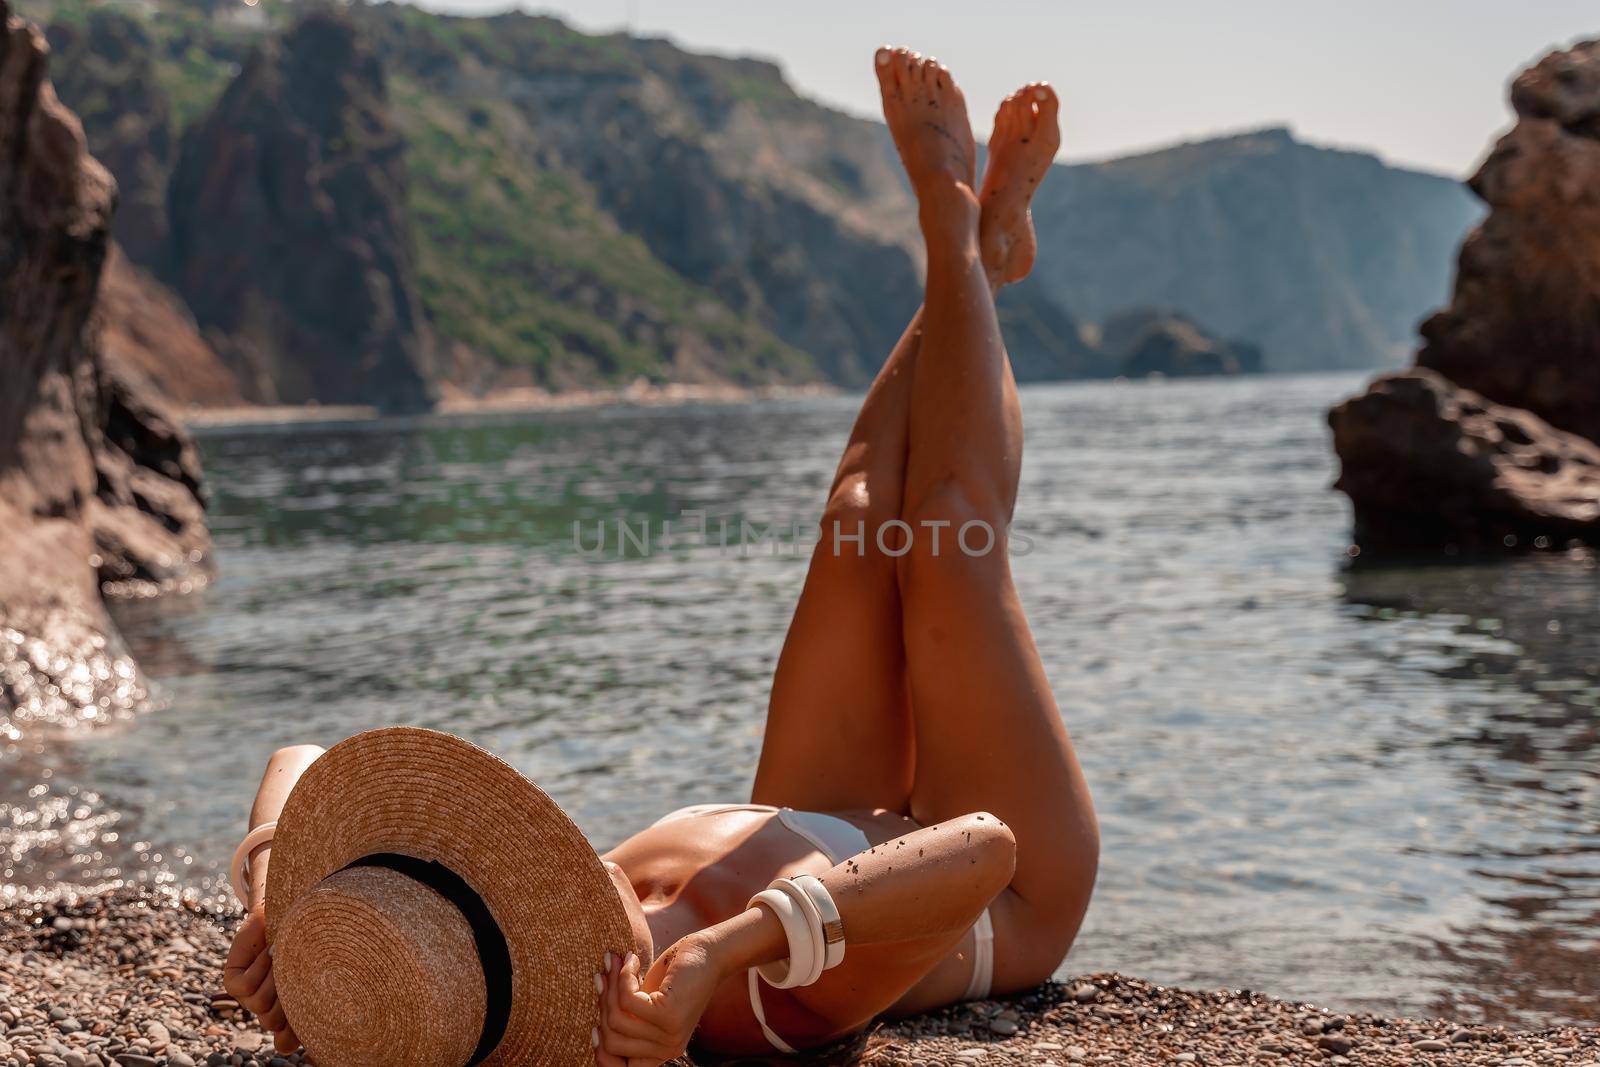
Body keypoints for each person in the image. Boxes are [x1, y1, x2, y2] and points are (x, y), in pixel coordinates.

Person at [223, 48, 1098, 1065]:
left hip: (808, 812)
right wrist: (725, 948)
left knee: (859, 513)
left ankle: (976, 265)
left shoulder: (553, 909)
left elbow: (302, 758)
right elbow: (983, 848)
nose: (512, 897)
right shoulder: (719, 1007)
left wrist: (278, 905)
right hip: (997, 891)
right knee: (945, 540)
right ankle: (955, 231)